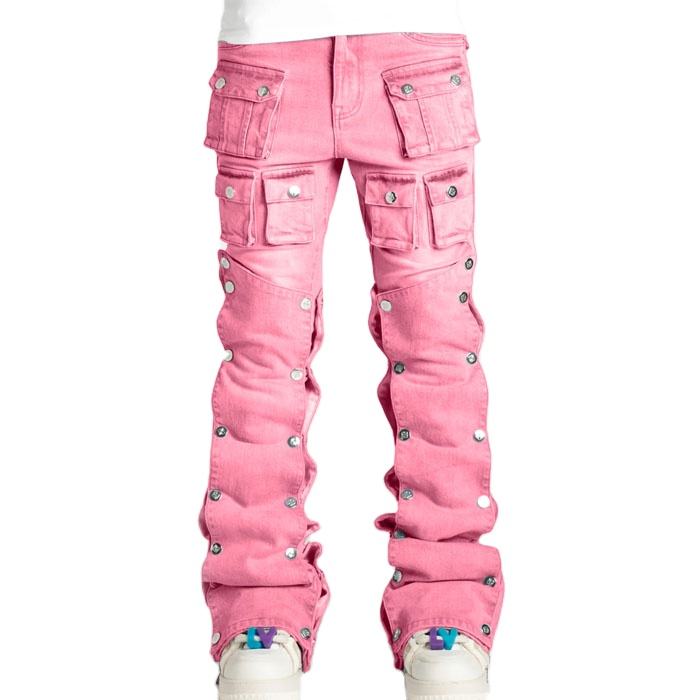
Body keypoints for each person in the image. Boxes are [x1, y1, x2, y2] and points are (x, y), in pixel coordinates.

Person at [200, 2, 504, 698]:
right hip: (278, 54)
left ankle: (445, 609)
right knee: (267, 352)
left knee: (433, 345)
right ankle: (259, 610)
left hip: (400, 49)